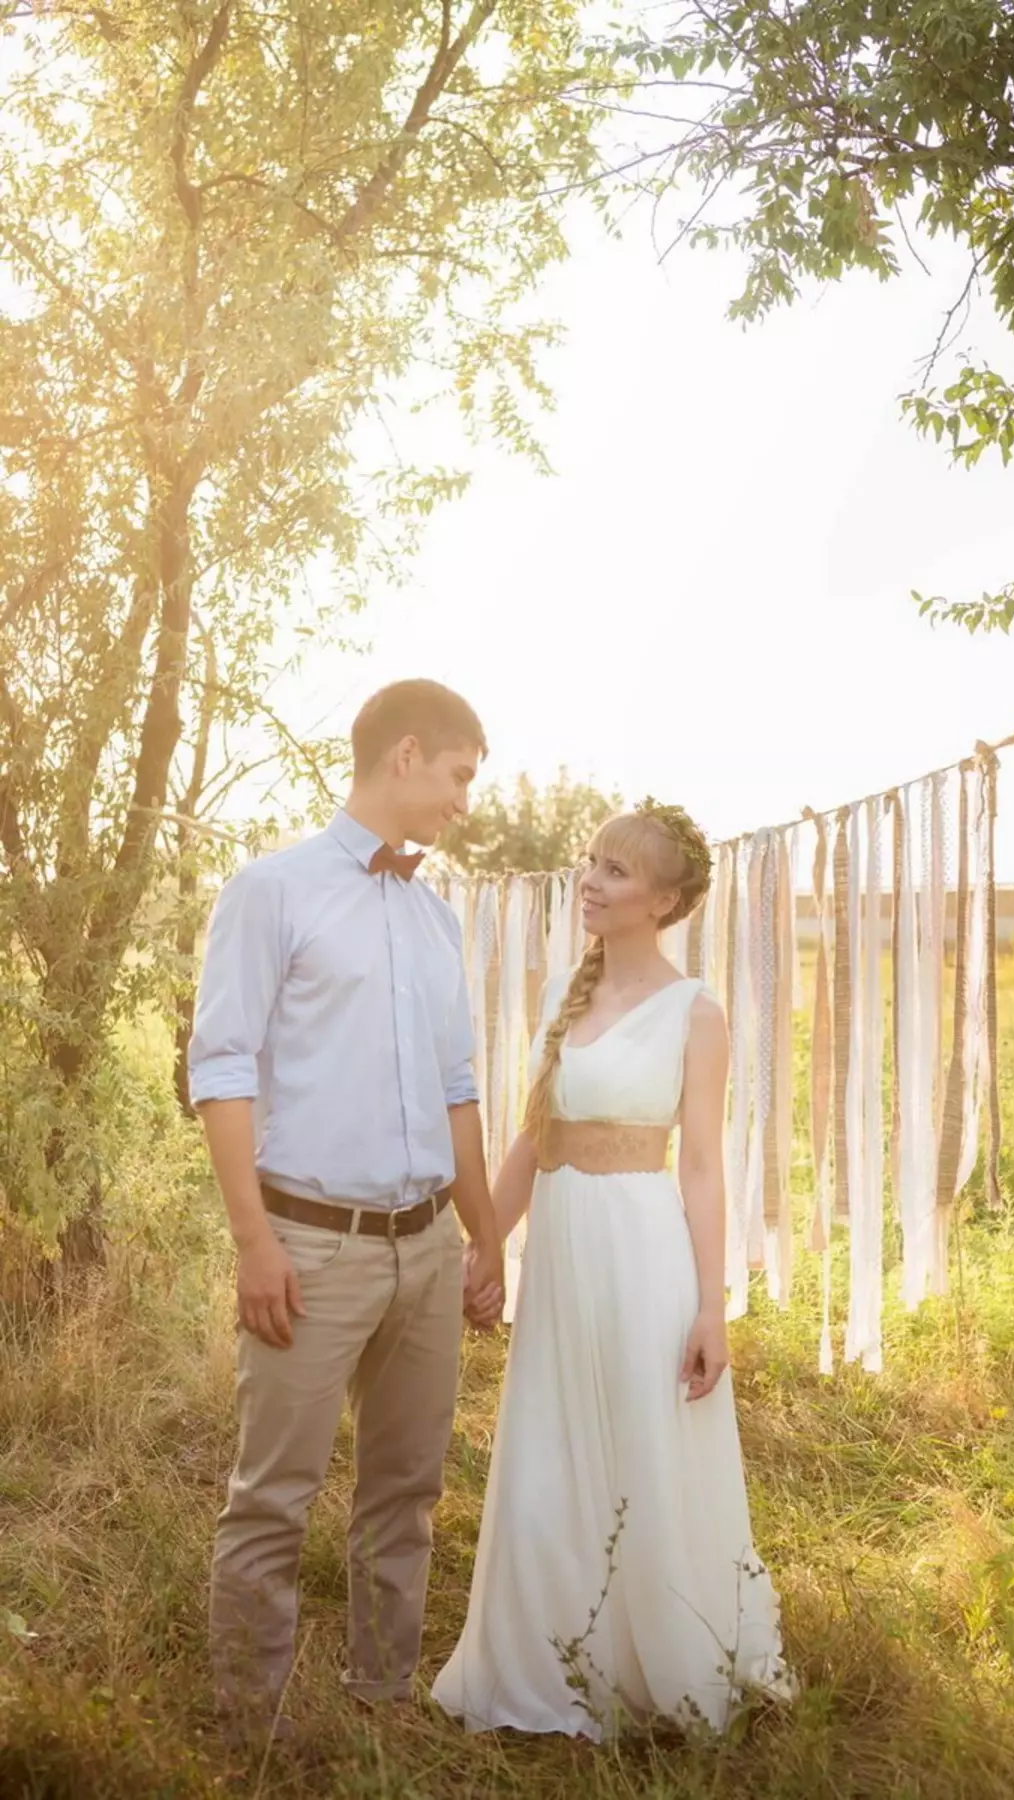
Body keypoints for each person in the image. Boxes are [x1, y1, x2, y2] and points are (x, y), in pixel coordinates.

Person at [432, 799, 791, 1739]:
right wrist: (485, 1243)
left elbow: (705, 1167)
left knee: (643, 1441)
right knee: (551, 1441)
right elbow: (531, 1139)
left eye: (617, 871)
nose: (590, 879)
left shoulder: (695, 1011)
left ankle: (660, 1660)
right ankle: (547, 1654)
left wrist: (711, 1310)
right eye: (591, 861)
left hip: (642, 1253)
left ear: (665, 900)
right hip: (561, 1248)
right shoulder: (566, 994)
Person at [188, 678, 504, 1737]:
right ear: (406, 755)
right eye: (460, 776)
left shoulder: (434, 918)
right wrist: (254, 1243)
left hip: (427, 1248)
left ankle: (380, 1698)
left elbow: (458, 1087)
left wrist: (485, 1237)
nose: (465, 802)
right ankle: (244, 1728)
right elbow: (221, 1069)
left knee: (406, 1492)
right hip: (310, 1249)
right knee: (273, 1498)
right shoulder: (270, 890)